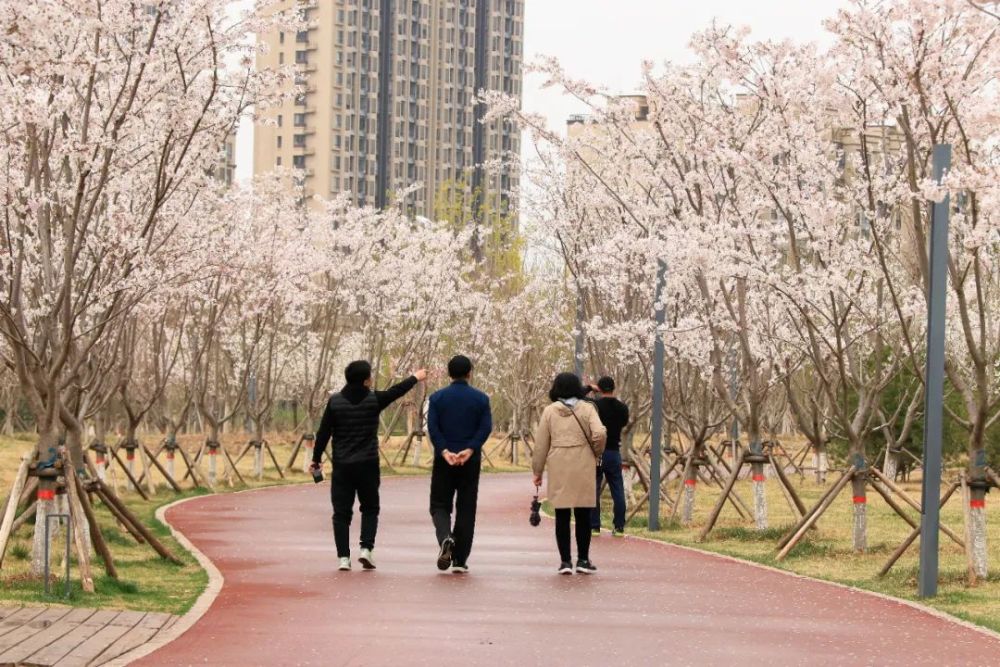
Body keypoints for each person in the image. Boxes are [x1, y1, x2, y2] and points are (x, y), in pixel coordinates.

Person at [311, 361, 427, 571]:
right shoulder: (374, 399)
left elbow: (324, 432)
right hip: (368, 464)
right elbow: (396, 391)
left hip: (342, 466)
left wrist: (316, 458)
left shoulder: (335, 402)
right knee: (370, 507)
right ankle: (366, 549)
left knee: (341, 512)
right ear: (366, 380)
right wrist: (415, 377)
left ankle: (343, 559)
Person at [532, 372, 607, 575]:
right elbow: (600, 433)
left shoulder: (549, 411)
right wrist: (596, 451)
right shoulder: (587, 409)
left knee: (562, 515)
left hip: (558, 464)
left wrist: (537, 471)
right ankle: (583, 559)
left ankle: (565, 562)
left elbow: (541, 445)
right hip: (584, 463)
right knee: (583, 515)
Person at [426, 355, 492, 573]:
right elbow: (485, 427)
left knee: (439, 504)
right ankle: (460, 559)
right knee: (466, 507)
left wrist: (444, 450)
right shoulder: (481, 399)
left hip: (444, 460)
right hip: (469, 460)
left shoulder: (437, 398)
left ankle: (446, 537)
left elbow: (433, 428)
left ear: (449, 373)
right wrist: (470, 448)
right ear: (469, 373)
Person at [586, 376, 630, 536]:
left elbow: (578, 399)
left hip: (597, 453)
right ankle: (619, 527)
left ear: (600, 388)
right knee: (617, 489)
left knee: (594, 490)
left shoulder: (594, 406)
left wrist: (590, 388)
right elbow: (624, 423)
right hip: (614, 452)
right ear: (614, 388)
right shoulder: (623, 408)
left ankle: (594, 526)